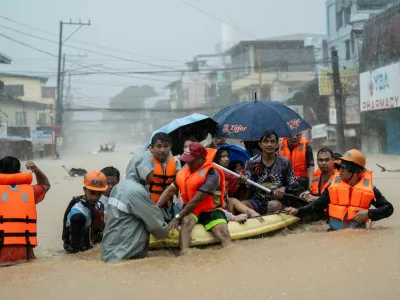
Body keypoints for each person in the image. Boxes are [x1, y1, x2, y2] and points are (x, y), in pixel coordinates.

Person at [285, 149, 394, 231]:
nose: (339, 170)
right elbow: (318, 204)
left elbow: (389, 208)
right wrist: (298, 211)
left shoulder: (370, 190)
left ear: (355, 171)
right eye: (339, 167)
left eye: (343, 168)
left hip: (358, 236)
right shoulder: (332, 187)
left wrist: (369, 214)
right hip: (332, 233)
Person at [157, 142, 231, 254]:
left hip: (210, 209)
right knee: (186, 221)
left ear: (201, 158)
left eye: (191, 160)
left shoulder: (212, 173)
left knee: (222, 231)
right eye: (186, 160)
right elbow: (170, 190)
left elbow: (197, 199)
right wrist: (156, 207)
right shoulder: (184, 170)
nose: (188, 163)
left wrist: (177, 218)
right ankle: (184, 256)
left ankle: (229, 254)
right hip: (191, 209)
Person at [101, 151, 169, 263]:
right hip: (124, 255)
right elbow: (157, 227)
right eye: (152, 170)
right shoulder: (135, 191)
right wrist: (167, 229)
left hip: (110, 253)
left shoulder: (120, 186)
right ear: (143, 169)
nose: (153, 174)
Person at [0, 156, 50, 266]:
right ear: (19, 172)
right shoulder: (30, 191)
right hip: (25, 251)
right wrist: (36, 170)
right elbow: (46, 185)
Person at [242, 130, 302, 215]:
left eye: (272, 141)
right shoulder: (252, 162)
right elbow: (248, 185)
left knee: (273, 205)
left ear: (277, 144)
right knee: (242, 205)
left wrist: (284, 188)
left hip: (277, 201)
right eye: (266, 141)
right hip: (257, 201)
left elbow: (294, 185)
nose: (269, 144)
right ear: (260, 144)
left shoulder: (285, 162)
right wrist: (242, 182)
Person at [62, 170, 108, 254]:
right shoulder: (78, 215)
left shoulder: (98, 206)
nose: (95, 197)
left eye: (99, 194)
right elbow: (76, 249)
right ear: (84, 189)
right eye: (92, 193)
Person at [148, 133, 177, 221]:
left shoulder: (176, 163)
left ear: (170, 147)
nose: (162, 150)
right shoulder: (145, 163)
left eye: (166, 146)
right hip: (149, 205)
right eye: (159, 146)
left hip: (168, 205)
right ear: (151, 148)